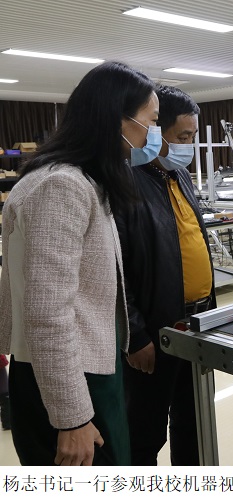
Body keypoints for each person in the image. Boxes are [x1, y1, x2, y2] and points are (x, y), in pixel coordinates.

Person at [0, 60, 157, 465]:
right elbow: (47, 312)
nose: (151, 134)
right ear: (117, 120)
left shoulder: (83, 182)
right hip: (67, 378)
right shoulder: (61, 186)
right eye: (150, 121)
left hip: (85, 365)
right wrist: (71, 418)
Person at [117, 85, 216, 465]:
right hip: (156, 328)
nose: (189, 147)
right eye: (183, 137)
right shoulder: (126, 183)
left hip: (197, 321)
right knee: (145, 429)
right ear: (156, 132)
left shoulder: (180, 175)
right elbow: (118, 268)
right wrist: (135, 334)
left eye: (193, 137)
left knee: (194, 420)